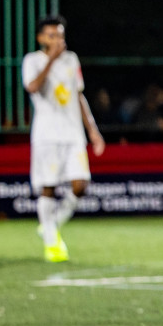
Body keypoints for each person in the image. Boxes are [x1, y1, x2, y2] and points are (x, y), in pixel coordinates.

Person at [22, 15, 105, 263]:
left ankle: (52, 224)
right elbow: (33, 87)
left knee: (81, 185)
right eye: (51, 35)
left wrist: (92, 130)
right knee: (48, 186)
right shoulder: (33, 60)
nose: (57, 39)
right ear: (40, 38)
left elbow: (79, 95)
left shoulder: (71, 60)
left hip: (73, 134)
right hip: (47, 135)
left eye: (60, 34)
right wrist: (51, 61)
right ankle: (51, 242)